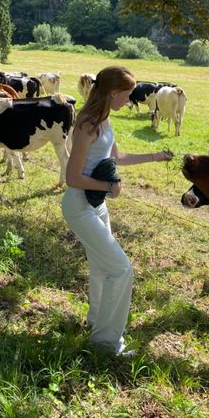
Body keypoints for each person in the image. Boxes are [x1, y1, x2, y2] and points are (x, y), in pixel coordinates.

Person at [62, 65, 173, 357]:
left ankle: (97, 323)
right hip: (79, 206)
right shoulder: (88, 124)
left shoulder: (105, 119)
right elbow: (72, 178)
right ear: (112, 93)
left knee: (101, 268)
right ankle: (108, 343)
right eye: (126, 94)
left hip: (95, 205)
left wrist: (155, 156)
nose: (129, 99)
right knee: (121, 269)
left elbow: (117, 157)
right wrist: (109, 187)